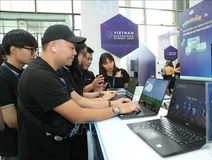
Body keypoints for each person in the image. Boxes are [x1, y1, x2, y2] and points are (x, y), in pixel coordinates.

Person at [17, 24, 140, 160]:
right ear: (53, 46)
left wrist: (113, 103)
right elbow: (78, 115)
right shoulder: (39, 75)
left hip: (58, 147)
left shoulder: (55, 72)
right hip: (43, 152)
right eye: (71, 48)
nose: (75, 53)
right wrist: (117, 109)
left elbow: (80, 100)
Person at [0, 29, 38, 160]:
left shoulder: (22, 74)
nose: (34, 54)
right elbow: (11, 120)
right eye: (30, 49)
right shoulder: (3, 77)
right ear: (13, 50)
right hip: (13, 148)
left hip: (27, 142)